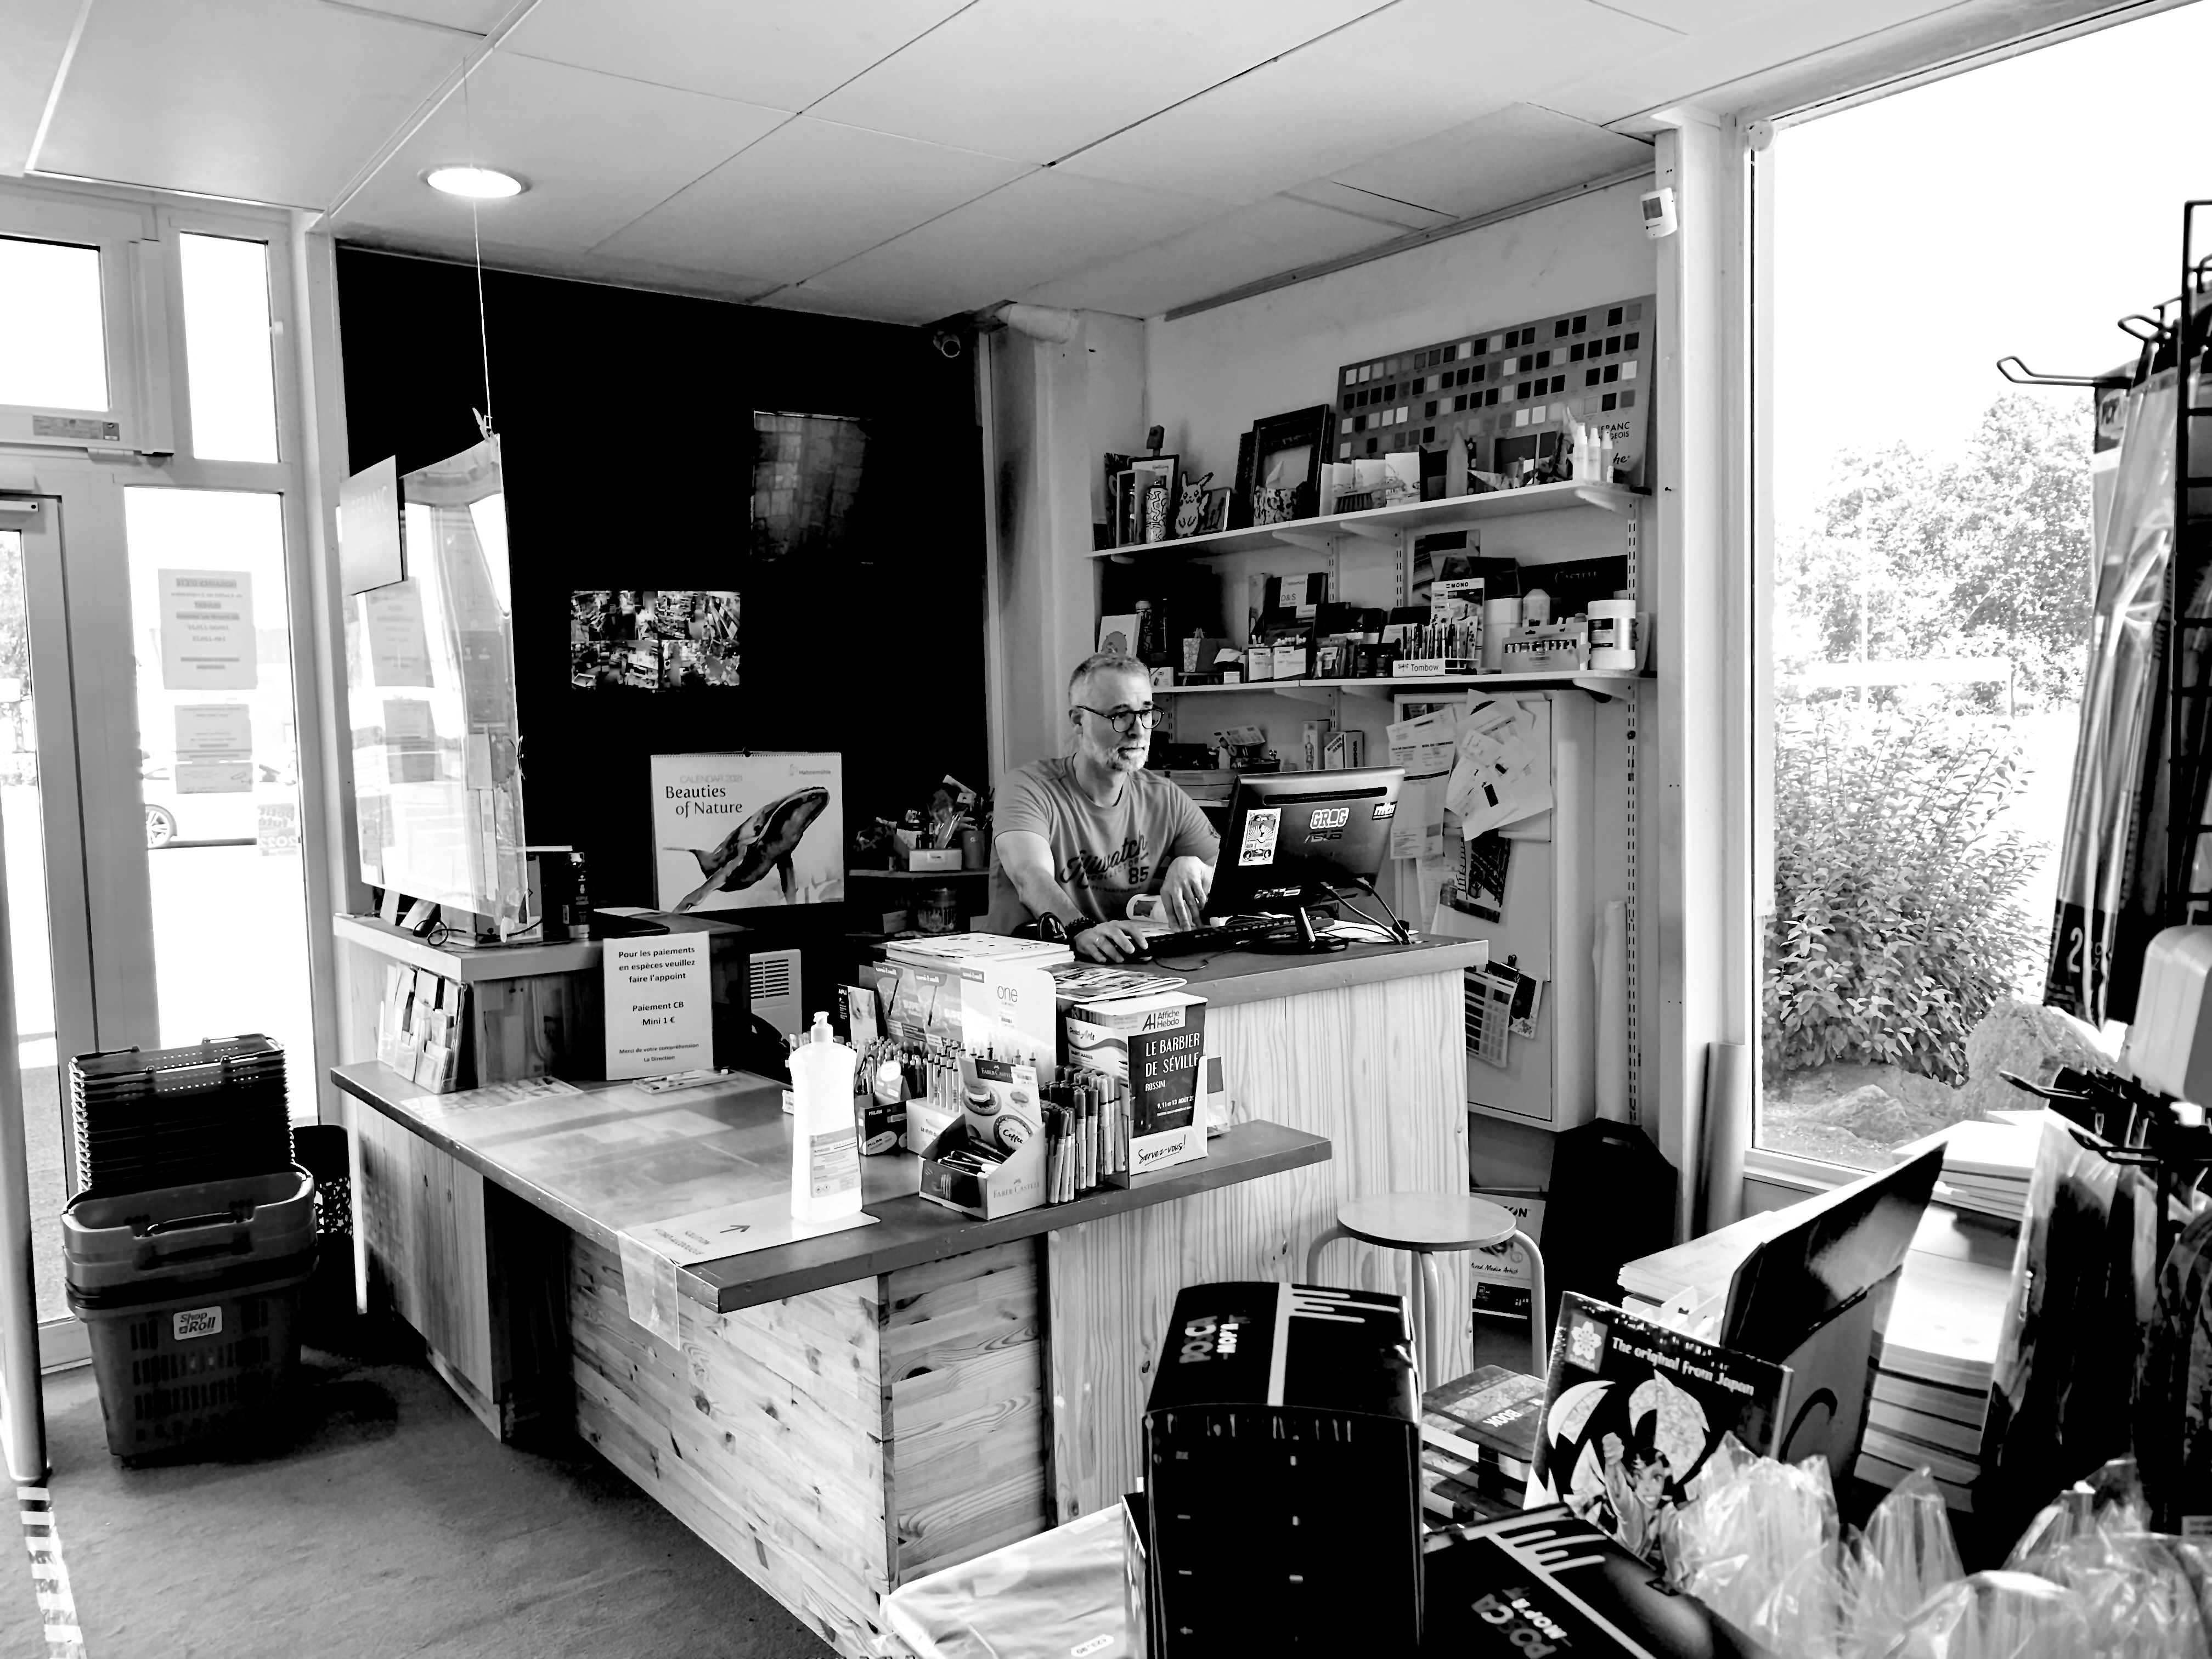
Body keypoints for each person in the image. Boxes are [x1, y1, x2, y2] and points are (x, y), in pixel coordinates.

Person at [986, 652, 1217, 962]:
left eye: (1146, 713)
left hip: (1118, 967)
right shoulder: (1028, 788)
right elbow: (1030, 877)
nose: (1138, 730)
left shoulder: (1165, 797)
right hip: (1024, 970)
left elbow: (1234, 874)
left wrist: (1196, 867)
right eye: (1120, 715)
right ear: (1079, 720)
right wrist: (1080, 928)